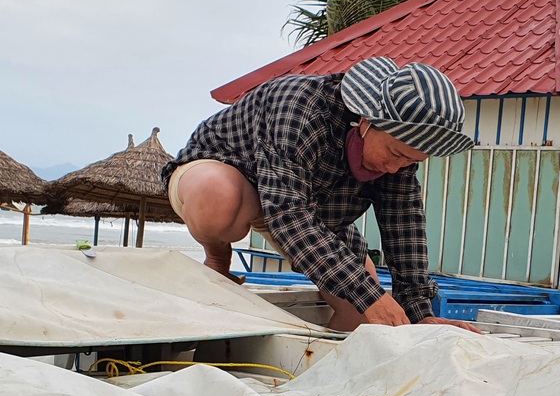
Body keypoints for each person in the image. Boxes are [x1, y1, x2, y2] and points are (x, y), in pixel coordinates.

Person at [162, 56, 479, 332]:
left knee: (364, 314)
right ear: (367, 121)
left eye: (411, 161)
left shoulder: (399, 156)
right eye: (396, 154)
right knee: (220, 200)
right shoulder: (302, 109)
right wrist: (369, 295)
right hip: (232, 175)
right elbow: (289, 217)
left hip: (306, 205)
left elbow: (404, 225)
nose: (398, 168)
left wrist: (418, 310)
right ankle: (217, 257)